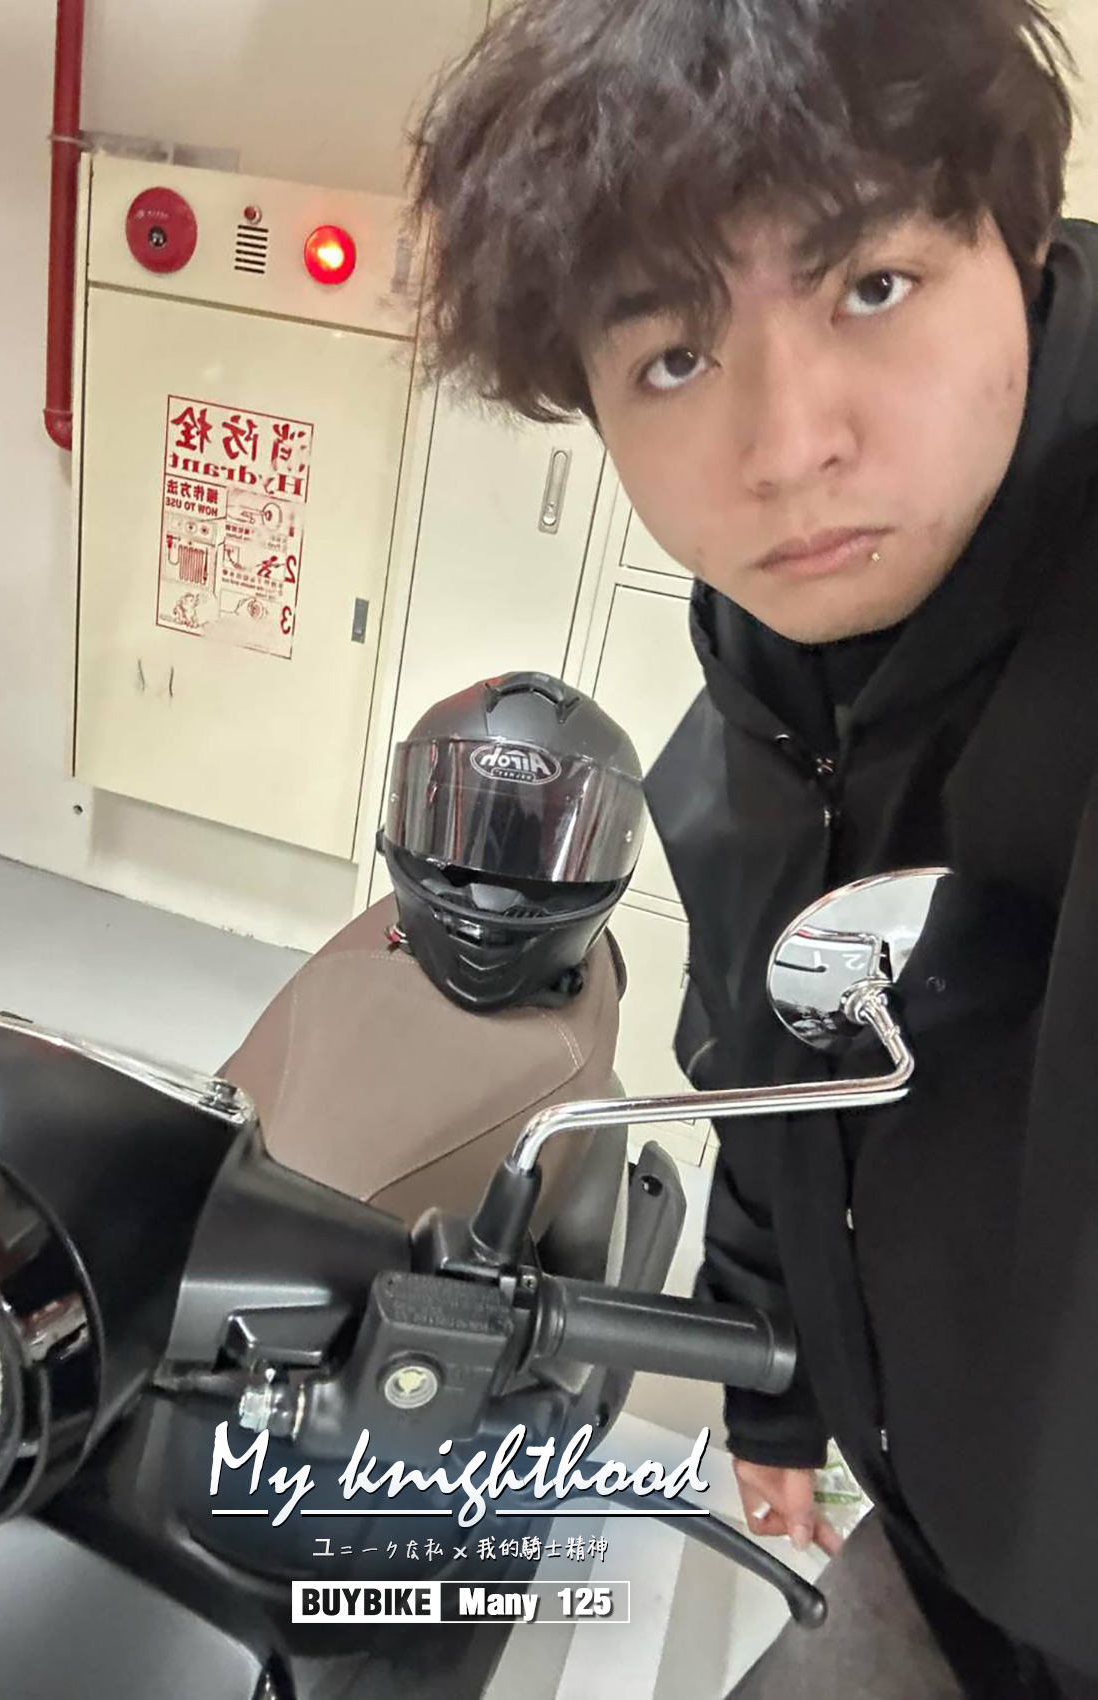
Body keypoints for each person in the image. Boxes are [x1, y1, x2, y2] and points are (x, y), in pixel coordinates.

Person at [405, 2, 1098, 1695]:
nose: (790, 450)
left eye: (873, 285)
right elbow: (781, 1074)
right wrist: (777, 1382)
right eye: (672, 357)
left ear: (1015, 239)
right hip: (939, 1549)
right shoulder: (755, 722)